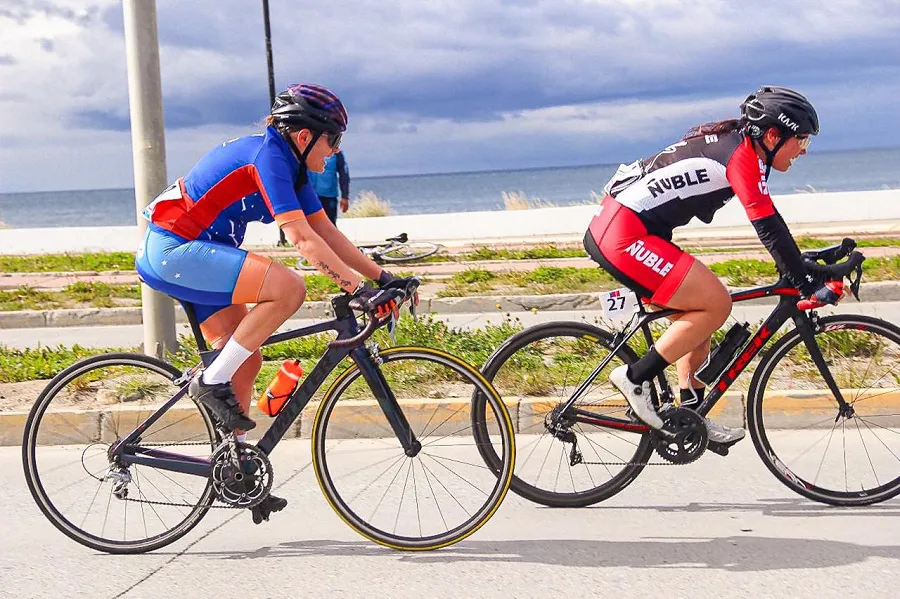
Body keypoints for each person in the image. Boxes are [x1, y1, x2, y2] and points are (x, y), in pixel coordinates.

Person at [135, 83, 411, 522]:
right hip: (173, 250)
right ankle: (209, 382)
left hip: (196, 253)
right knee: (289, 288)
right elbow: (301, 240)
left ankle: (235, 470)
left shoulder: (291, 167)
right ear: (304, 137)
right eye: (333, 140)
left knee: (245, 358)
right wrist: (355, 290)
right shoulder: (269, 158)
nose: (336, 151)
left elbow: (328, 235)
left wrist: (383, 277)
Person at [584, 85, 837, 445]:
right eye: (801, 140)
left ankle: (690, 416)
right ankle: (634, 377)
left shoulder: (741, 148)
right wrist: (805, 280)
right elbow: (766, 225)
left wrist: (804, 267)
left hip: (630, 229)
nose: (803, 151)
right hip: (623, 236)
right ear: (772, 135)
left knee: (696, 324)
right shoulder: (742, 157)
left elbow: (774, 226)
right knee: (716, 303)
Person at [308, 150, 350, 224]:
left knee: (330, 225)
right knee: (310, 227)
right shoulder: (306, 150)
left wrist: (345, 197)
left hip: (329, 198)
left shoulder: (336, 153)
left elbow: (344, 175)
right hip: (309, 197)